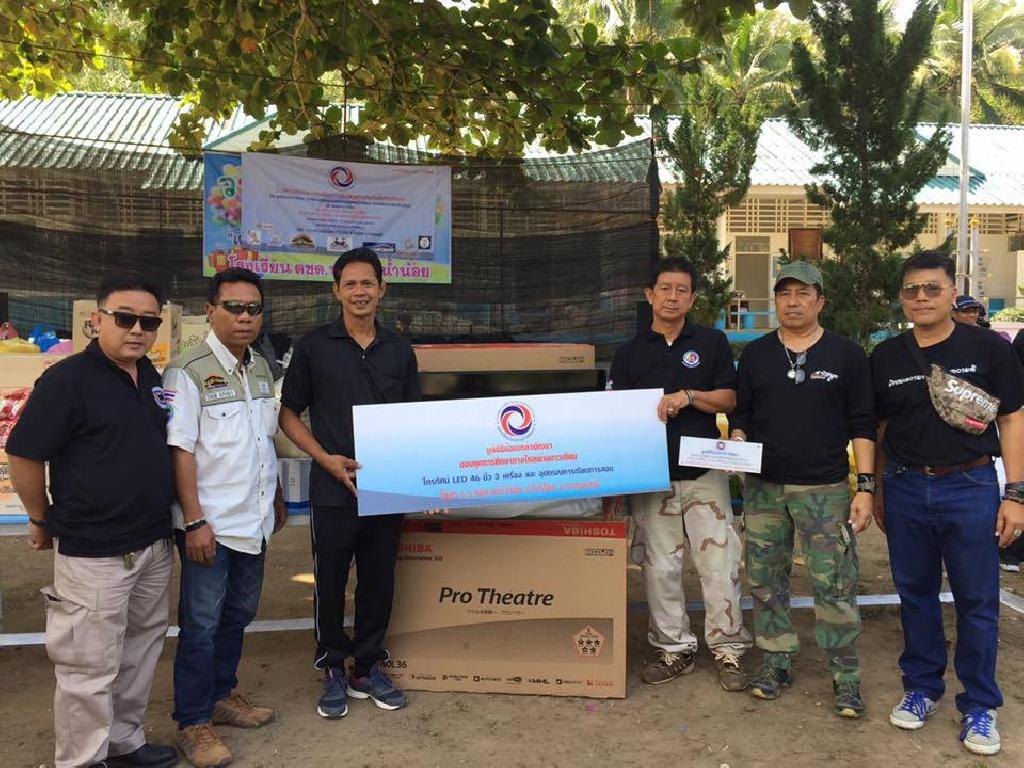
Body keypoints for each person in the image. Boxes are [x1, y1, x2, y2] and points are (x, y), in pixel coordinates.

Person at [7, 276, 178, 768]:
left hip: (151, 543)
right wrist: (39, 517)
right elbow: (24, 454)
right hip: (94, 551)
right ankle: (83, 759)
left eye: (149, 321)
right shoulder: (67, 381)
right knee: (88, 665)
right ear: (97, 320)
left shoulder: (149, 376)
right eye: (125, 318)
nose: (137, 329)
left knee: (140, 651)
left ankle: (124, 742)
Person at [871, 250, 1024, 756]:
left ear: (951, 291)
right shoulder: (886, 356)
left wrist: (1016, 493)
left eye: (932, 288)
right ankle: (922, 687)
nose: (921, 297)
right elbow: (879, 427)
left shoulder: (988, 348)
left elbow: (1013, 419)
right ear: (901, 298)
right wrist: (878, 487)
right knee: (914, 593)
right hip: (906, 487)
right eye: (912, 290)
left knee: (977, 600)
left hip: (971, 486)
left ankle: (980, 704)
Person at [279, 247, 421, 719]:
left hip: (388, 486)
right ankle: (333, 667)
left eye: (368, 283)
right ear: (336, 291)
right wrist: (325, 459)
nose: (360, 292)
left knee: (379, 581)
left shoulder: (399, 350)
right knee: (330, 581)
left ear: (382, 289)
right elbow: (288, 414)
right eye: (350, 284)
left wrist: (426, 481)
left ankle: (368, 666)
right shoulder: (314, 347)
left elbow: (415, 421)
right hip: (332, 489)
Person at [729, 261, 875, 719]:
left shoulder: (847, 355)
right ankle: (776, 662)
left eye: (803, 293)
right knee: (765, 581)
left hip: (824, 490)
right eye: (784, 294)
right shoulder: (756, 354)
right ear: (775, 300)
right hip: (764, 488)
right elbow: (742, 414)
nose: (792, 302)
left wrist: (865, 486)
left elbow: (863, 424)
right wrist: (737, 438)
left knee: (834, 583)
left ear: (820, 301)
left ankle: (845, 675)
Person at [606, 257, 752, 691]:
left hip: (704, 472)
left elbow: (729, 398)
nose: (673, 297)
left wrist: (688, 396)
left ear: (692, 297)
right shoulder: (629, 353)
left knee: (719, 564)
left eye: (682, 290)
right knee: (659, 568)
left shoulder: (711, 342)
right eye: (665, 288)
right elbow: (614, 417)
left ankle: (728, 648)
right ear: (649, 294)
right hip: (651, 477)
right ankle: (674, 648)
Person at [163, 268, 285, 767]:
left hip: (253, 519)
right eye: (234, 307)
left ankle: (221, 695)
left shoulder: (262, 367)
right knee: (201, 624)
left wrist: (276, 497)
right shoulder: (185, 371)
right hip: (209, 525)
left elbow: (262, 440)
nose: (245, 317)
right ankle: (193, 722)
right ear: (210, 310)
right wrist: (194, 521)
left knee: (238, 615)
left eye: (254, 308)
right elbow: (180, 450)